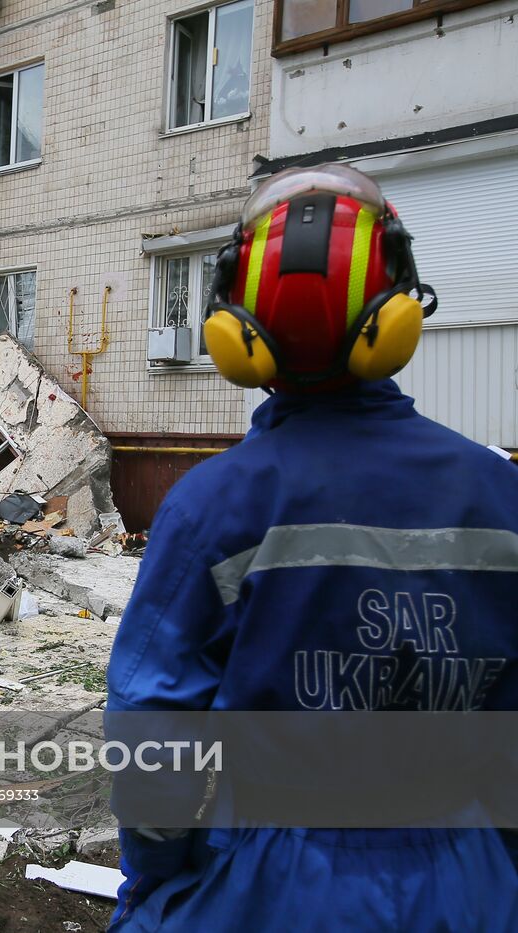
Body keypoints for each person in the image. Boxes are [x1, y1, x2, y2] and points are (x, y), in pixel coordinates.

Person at [106, 164, 518, 930]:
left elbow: (153, 726)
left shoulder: (212, 504)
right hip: (468, 879)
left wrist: (157, 884)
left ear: (238, 323)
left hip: (268, 886)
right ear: (397, 305)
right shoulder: (499, 496)